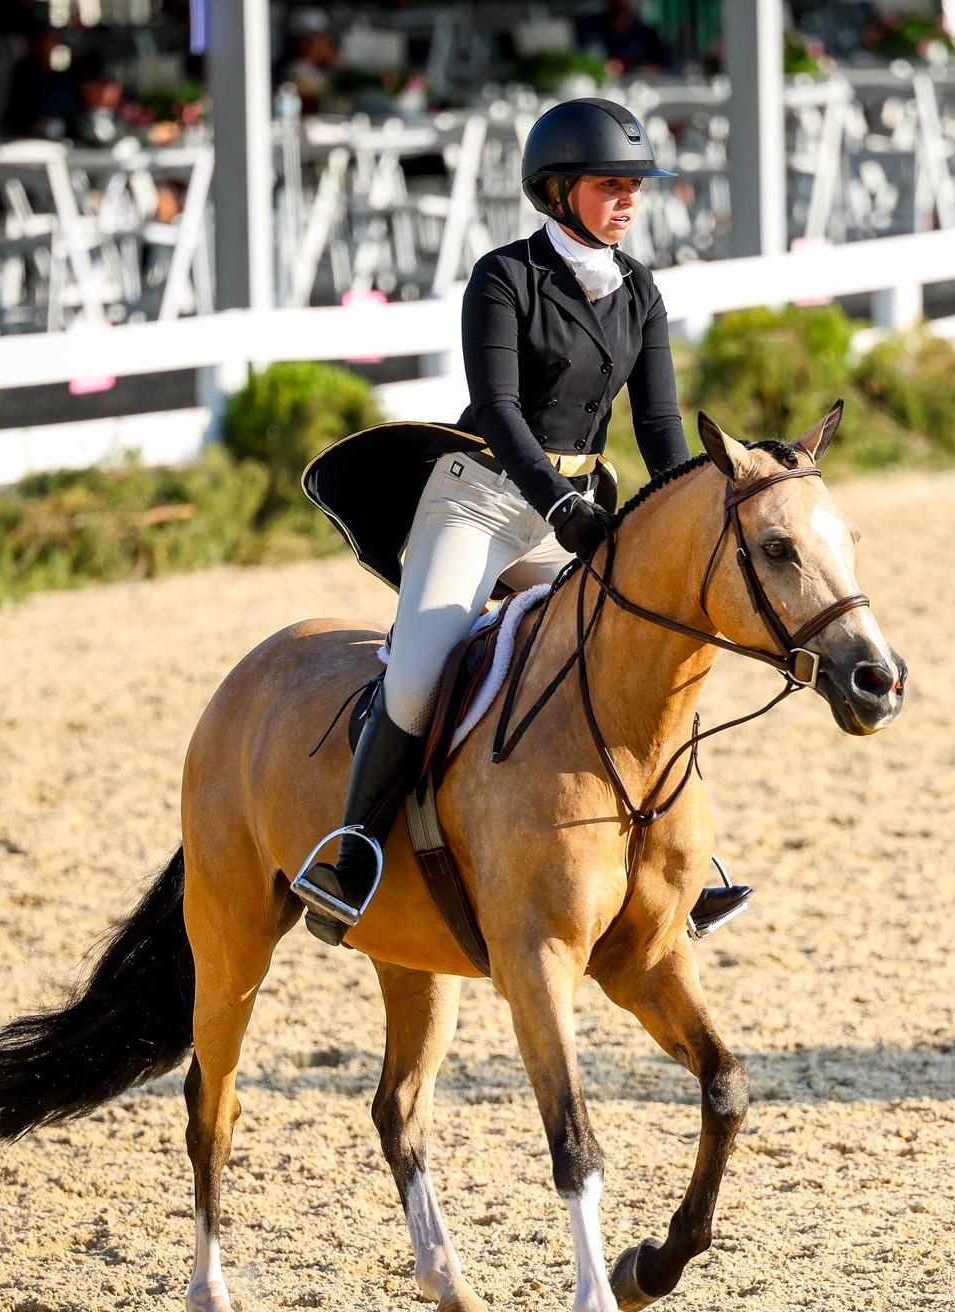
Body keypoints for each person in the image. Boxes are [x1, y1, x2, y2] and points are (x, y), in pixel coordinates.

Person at [292, 97, 752, 947]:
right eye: (612, 184)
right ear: (559, 190)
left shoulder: (639, 288)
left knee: (634, 659)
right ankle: (351, 850)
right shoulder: (504, 278)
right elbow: (499, 410)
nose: (629, 199)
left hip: (571, 512)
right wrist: (557, 504)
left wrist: (691, 502)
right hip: (481, 496)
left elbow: (657, 426)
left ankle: (681, 859)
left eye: (635, 186)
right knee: (421, 671)